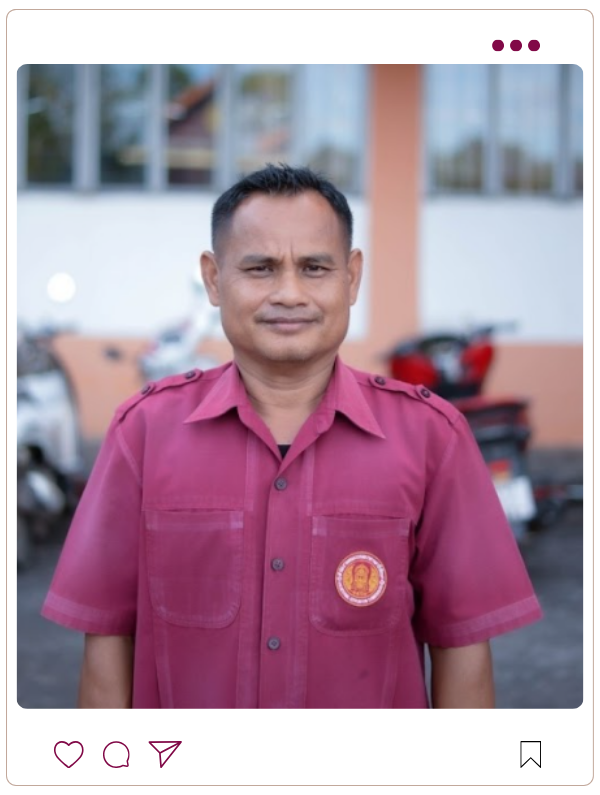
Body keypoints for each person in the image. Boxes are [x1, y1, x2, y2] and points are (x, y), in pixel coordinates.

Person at [42, 164, 542, 709]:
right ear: (214, 278)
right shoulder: (143, 432)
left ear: (352, 278)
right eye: (260, 268)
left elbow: (461, 649)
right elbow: (107, 641)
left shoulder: (431, 438)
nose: (288, 293)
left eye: (314, 268)